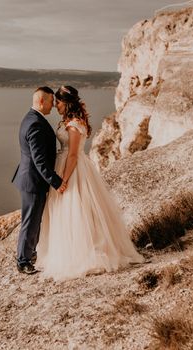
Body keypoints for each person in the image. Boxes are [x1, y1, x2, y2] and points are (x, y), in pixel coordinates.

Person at [35, 86, 144, 281]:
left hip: (72, 169)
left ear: (67, 103)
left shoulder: (74, 124)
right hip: (65, 164)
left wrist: (63, 180)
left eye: (58, 102)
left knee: (76, 209)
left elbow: (74, 154)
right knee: (68, 210)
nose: (56, 106)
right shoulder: (69, 121)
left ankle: (84, 253)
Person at [11, 86, 64, 274]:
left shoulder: (33, 118)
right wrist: (56, 181)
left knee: (34, 219)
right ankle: (23, 261)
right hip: (33, 181)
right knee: (31, 221)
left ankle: (30, 253)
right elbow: (39, 160)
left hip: (31, 179)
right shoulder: (35, 123)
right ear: (42, 101)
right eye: (51, 101)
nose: (54, 106)